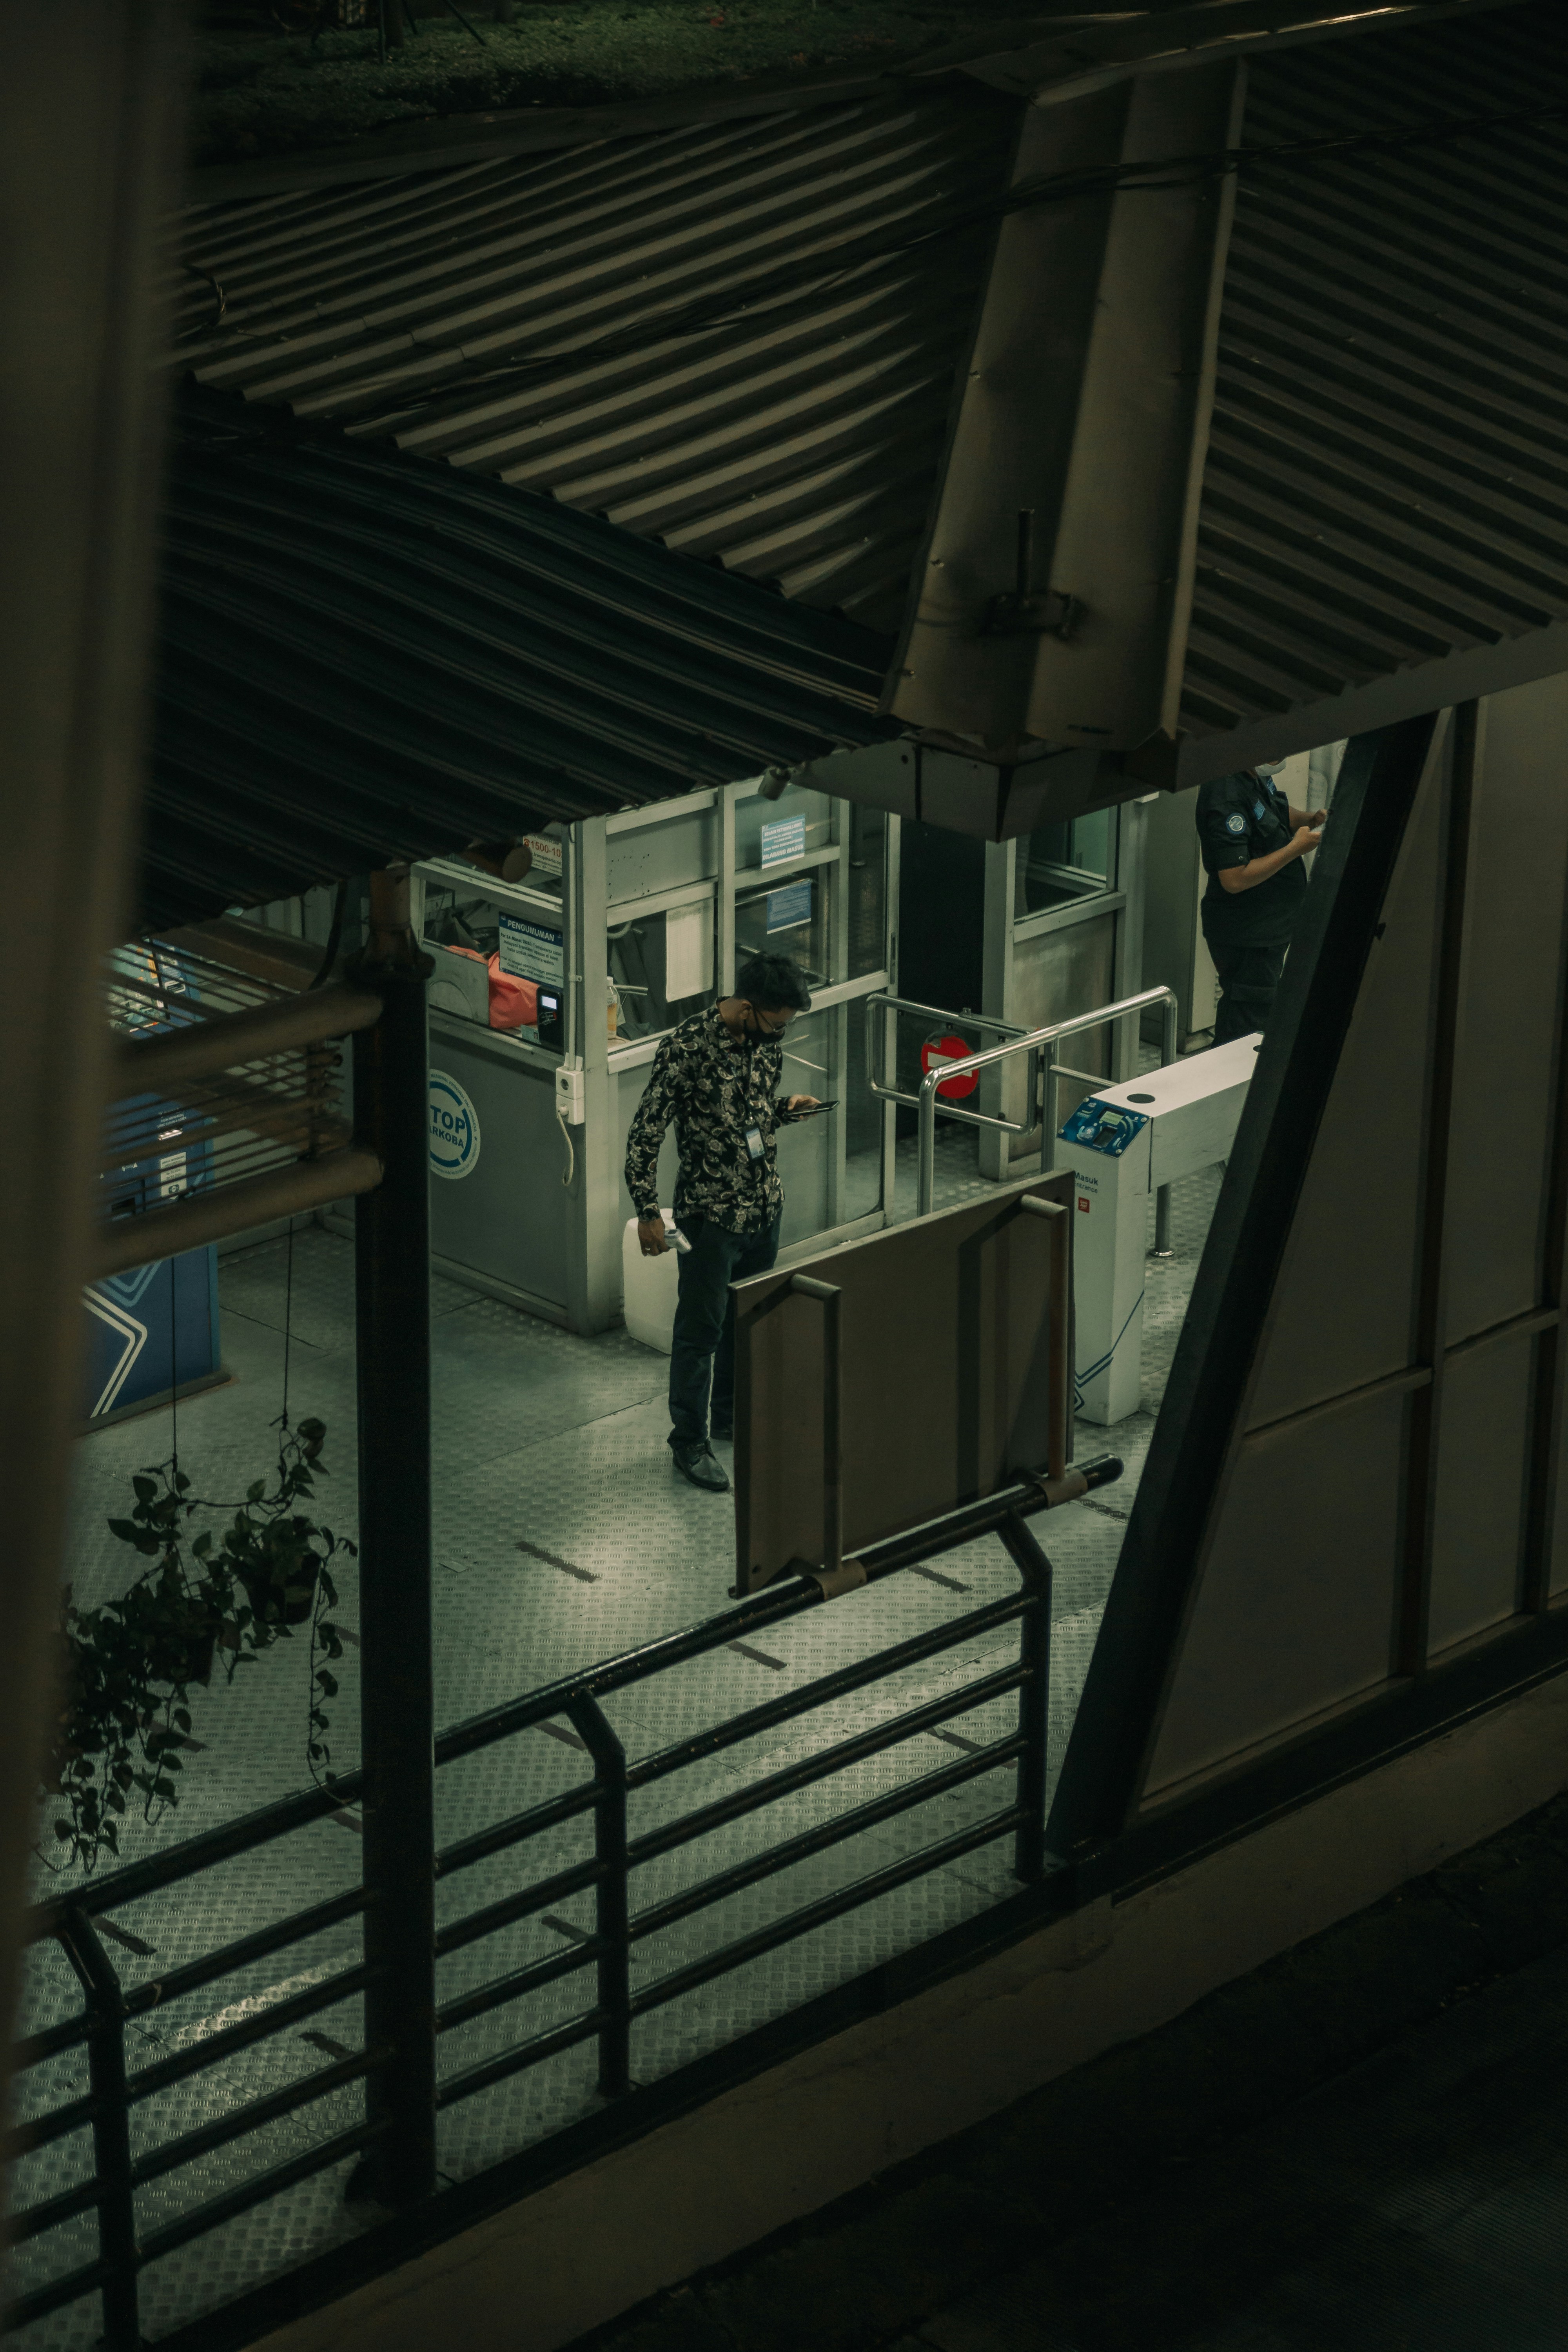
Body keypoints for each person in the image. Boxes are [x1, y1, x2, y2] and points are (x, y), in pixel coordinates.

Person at [624, 953, 818, 1493]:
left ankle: (731, 1416)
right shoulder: (687, 1048)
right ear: (748, 1009)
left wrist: (785, 1109)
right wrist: (647, 1212)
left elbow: (747, 1112)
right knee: (700, 1333)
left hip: (763, 1210)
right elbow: (644, 1134)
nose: (780, 1034)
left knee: (746, 1319)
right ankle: (689, 1441)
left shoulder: (765, 1042)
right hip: (711, 1218)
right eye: (776, 1024)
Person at [1196, 760, 1327, 1046]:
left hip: (1268, 926)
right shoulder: (1226, 796)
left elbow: (1271, 813)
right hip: (1248, 933)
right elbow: (1234, 879)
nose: (1278, 759)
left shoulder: (1251, 775)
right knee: (1246, 1028)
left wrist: (1310, 819)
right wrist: (1295, 849)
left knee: (1254, 1015)